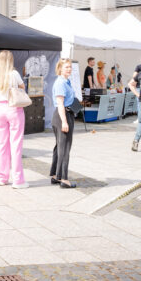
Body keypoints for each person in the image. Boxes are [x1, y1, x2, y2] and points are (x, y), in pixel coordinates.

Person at [0, 50, 28, 189]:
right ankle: (18, 180)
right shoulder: (14, 74)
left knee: (1, 145)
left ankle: (2, 177)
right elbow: (23, 88)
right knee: (16, 145)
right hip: (13, 108)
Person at [50, 58, 76, 188]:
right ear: (60, 68)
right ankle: (64, 179)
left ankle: (56, 175)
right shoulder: (60, 83)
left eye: (70, 67)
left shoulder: (67, 81)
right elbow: (60, 104)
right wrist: (64, 122)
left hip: (65, 114)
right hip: (62, 116)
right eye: (66, 67)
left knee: (59, 147)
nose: (69, 69)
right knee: (64, 148)